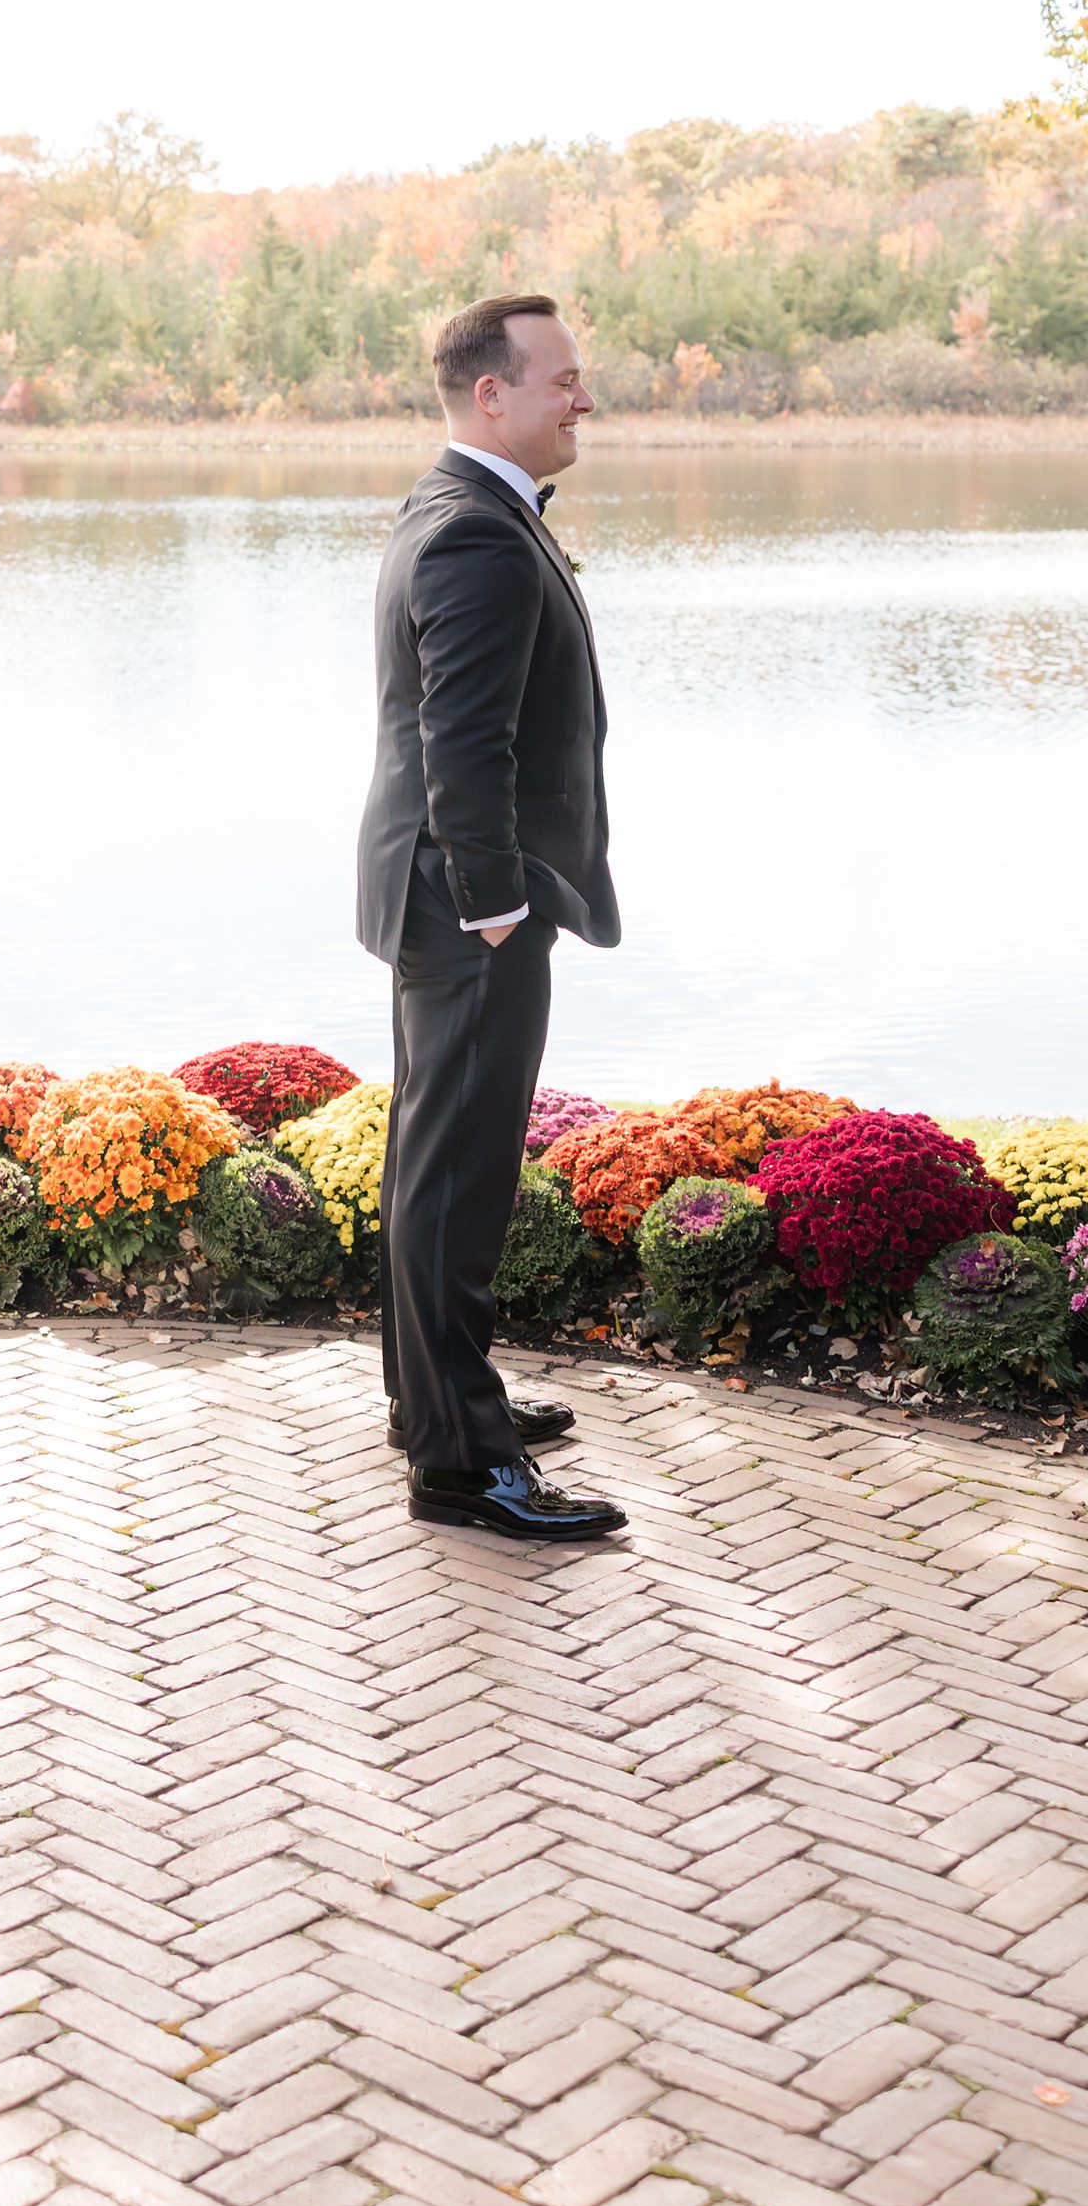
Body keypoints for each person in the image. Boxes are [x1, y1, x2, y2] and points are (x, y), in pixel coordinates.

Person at [355, 294, 627, 1545]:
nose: (583, 397)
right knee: (462, 1169)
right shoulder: (475, 534)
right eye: (564, 379)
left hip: (435, 891)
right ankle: (464, 1463)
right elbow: (460, 739)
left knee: (436, 1151)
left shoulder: (452, 504)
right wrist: (502, 907)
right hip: (470, 903)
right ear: (492, 397)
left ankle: (433, 1399)